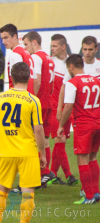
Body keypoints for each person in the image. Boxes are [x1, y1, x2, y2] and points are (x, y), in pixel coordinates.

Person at [0, 62, 46, 223]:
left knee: (2, 190)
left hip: (7, 152)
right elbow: (38, 129)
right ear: (29, 78)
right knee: (27, 192)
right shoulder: (33, 100)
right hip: (27, 152)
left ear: (11, 77)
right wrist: (42, 153)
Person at [57, 54, 100, 204]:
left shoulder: (72, 82)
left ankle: (88, 196)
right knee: (93, 158)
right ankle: (95, 191)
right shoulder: (96, 80)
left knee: (82, 159)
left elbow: (68, 106)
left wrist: (61, 125)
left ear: (71, 67)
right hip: (97, 123)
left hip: (83, 125)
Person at [23, 31, 58, 186]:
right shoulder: (49, 58)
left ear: (34, 42)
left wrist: (31, 100)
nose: (25, 48)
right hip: (48, 102)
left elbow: (36, 81)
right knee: (44, 140)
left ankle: (40, 173)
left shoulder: (36, 57)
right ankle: (46, 172)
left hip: (39, 103)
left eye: (26, 44)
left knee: (32, 139)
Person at [48, 34, 78, 186]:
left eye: (54, 46)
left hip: (69, 108)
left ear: (63, 47)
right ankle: (68, 174)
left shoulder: (72, 63)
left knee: (62, 142)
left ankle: (52, 174)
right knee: (60, 140)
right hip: (55, 108)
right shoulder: (49, 63)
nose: (52, 49)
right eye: (51, 46)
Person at [0, 24, 35, 94]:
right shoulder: (26, 52)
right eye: (2, 39)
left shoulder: (15, 54)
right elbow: (35, 81)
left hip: (19, 97)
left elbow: (17, 81)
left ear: (15, 37)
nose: (3, 42)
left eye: (6, 38)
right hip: (29, 95)